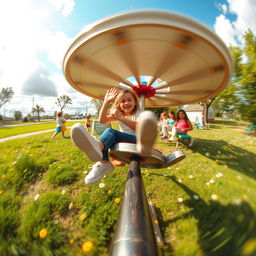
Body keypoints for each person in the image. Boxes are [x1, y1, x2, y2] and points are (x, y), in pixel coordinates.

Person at [70, 87, 157, 184]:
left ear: (135, 102)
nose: (126, 103)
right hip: (124, 143)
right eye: (122, 101)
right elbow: (102, 120)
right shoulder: (120, 113)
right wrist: (106, 102)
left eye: (129, 100)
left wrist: (120, 118)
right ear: (119, 104)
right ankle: (104, 163)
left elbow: (141, 128)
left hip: (139, 142)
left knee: (111, 132)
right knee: (107, 139)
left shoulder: (139, 113)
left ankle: (97, 147)